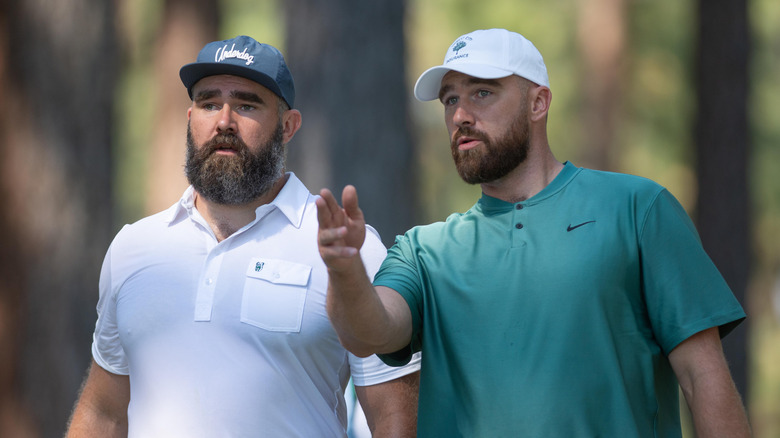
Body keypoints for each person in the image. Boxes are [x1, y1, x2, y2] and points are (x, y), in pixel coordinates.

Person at [317, 28, 751, 437]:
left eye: (481, 92)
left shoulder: (637, 209)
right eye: (450, 100)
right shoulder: (424, 252)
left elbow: (701, 375)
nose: (461, 115)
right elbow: (367, 333)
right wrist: (344, 269)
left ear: (538, 103)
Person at [66, 35, 420, 437]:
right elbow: (103, 414)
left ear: (288, 126)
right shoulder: (134, 247)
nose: (224, 121)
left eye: (247, 104)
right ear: (190, 117)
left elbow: (395, 423)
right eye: (209, 103)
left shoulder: (346, 250)